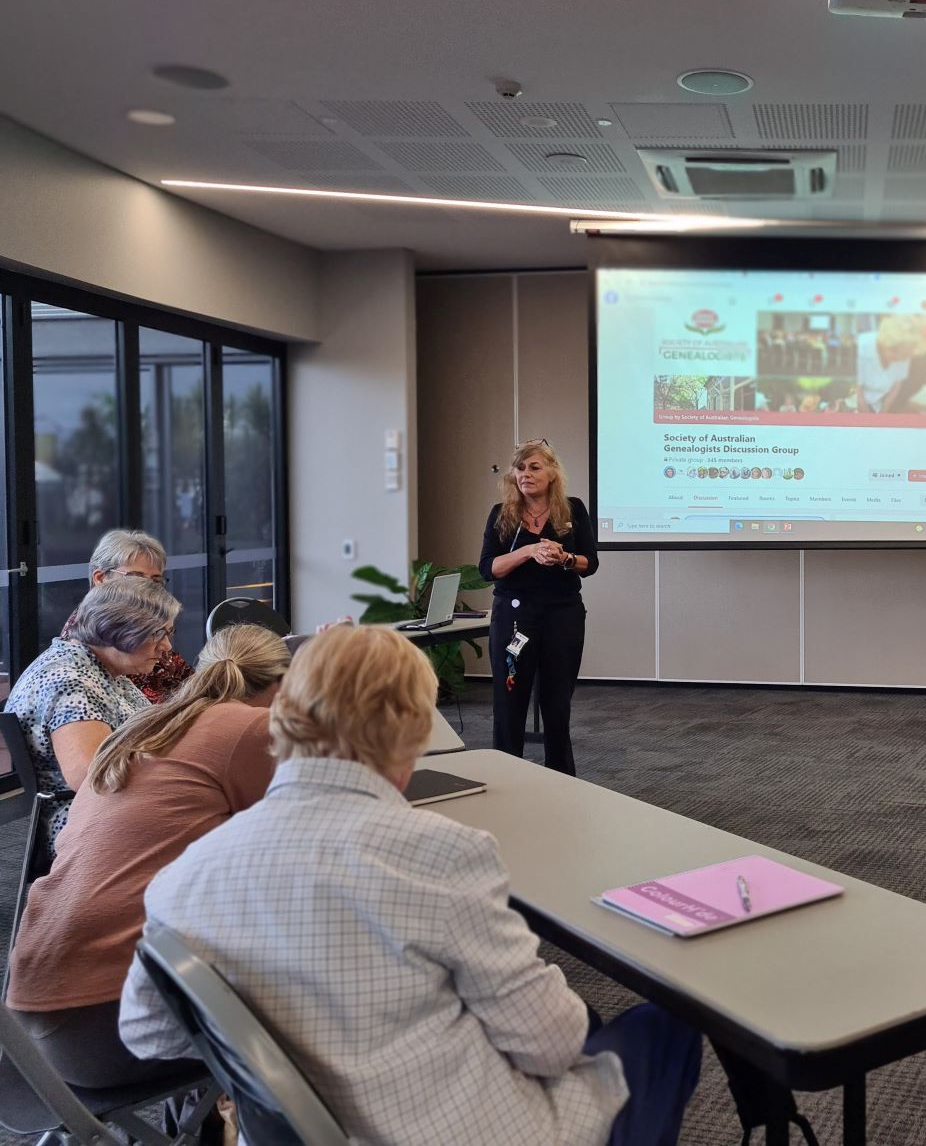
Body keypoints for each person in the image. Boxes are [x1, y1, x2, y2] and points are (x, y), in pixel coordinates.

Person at [118, 626, 702, 1146]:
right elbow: (549, 1045)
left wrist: (282, 1044)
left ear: (280, 717)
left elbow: (147, 1034)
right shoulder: (442, 852)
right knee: (664, 1029)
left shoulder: (185, 876)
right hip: (459, 1125)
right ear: (413, 733)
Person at [6, 625, 287, 1089]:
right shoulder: (250, 728)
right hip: (107, 1025)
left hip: (37, 1009)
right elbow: (301, 842)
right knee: (323, 994)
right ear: (283, 686)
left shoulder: (149, 723)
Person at [7, 577, 181, 845]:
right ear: (118, 629)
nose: (167, 646)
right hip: (84, 827)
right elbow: (93, 780)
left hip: (113, 813)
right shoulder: (70, 682)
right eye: (158, 633)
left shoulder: (104, 670)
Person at [478, 439, 598, 774]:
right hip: (514, 618)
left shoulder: (572, 510)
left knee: (557, 705)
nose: (526, 474)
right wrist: (527, 552)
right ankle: (508, 776)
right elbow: (488, 569)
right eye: (520, 468)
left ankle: (561, 778)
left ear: (552, 473)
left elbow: (591, 564)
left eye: (534, 467)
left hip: (562, 616)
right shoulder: (502, 515)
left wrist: (564, 558)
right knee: (509, 701)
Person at [60, 529, 193, 703]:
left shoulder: (150, 628)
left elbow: (192, 681)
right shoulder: (88, 642)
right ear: (100, 578)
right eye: (135, 578)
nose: (147, 587)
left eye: (156, 580)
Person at [856, 316, 925, 413]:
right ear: (888, 346)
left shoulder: (906, 347)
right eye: (902, 356)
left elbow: (896, 386)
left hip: (877, 405)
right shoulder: (861, 347)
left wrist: (883, 413)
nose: (904, 360)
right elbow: (856, 392)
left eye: (906, 356)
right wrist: (868, 419)